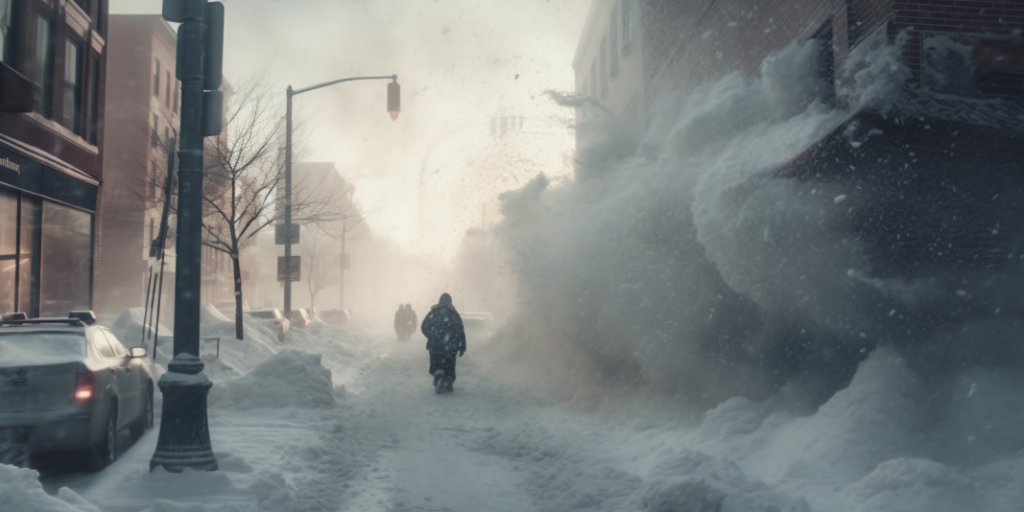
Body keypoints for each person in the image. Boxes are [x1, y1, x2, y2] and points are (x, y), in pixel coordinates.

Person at [421, 293, 466, 394]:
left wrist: (432, 336)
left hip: (435, 345)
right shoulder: (454, 314)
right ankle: (449, 380)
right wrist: (461, 346)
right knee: (449, 364)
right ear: (450, 301)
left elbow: (424, 326)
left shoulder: (434, 312)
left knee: (436, 363)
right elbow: (460, 331)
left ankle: (438, 376)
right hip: (451, 346)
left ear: (440, 300)